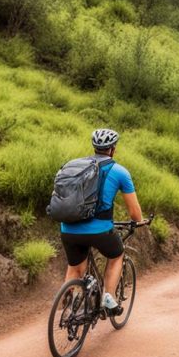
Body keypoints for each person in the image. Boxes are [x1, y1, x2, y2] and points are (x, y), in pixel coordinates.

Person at [59, 128, 143, 316]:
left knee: (75, 268)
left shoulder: (76, 166)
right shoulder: (120, 171)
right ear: (113, 149)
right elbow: (134, 212)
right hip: (100, 230)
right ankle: (108, 296)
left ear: (94, 147)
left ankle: (65, 305)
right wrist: (139, 221)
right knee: (116, 255)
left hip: (68, 228)